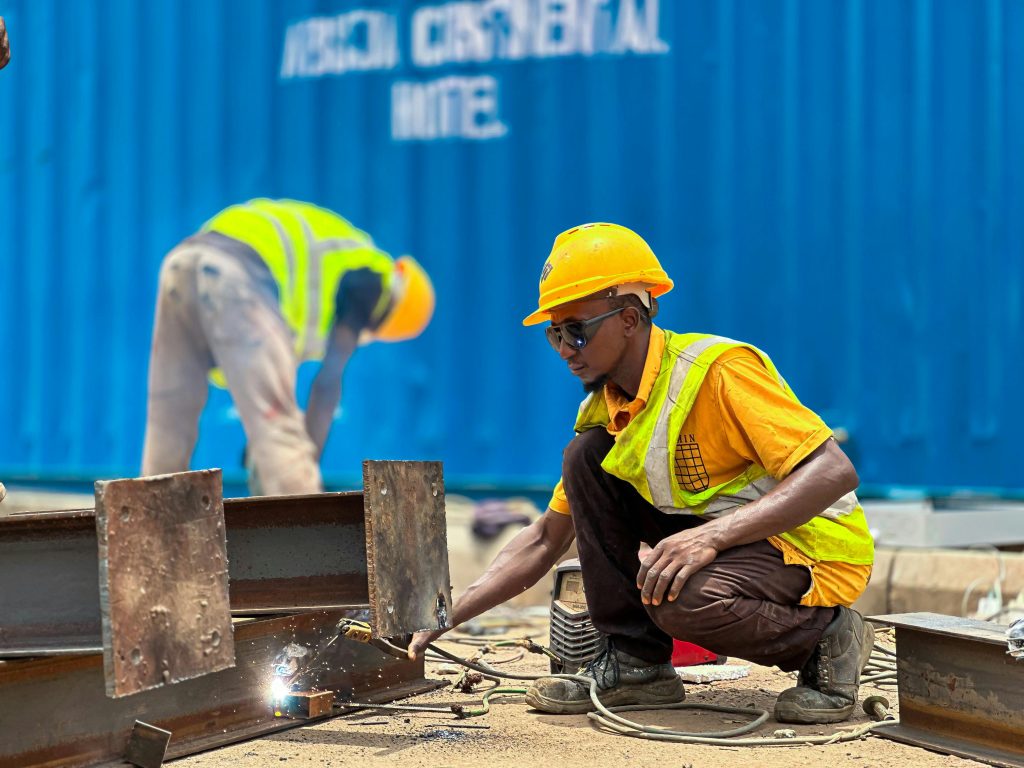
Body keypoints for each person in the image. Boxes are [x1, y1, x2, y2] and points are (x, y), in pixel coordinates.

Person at [409, 223, 875, 725]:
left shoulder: (717, 372)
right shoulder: (606, 411)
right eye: (554, 334)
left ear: (629, 318)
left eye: (576, 330)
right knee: (586, 458)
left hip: (808, 543)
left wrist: (708, 539)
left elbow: (834, 470)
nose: (565, 348)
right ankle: (636, 665)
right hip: (732, 538)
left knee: (681, 600)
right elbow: (546, 538)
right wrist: (445, 615)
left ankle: (827, 640)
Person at [141, 199, 434, 495]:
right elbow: (327, 385)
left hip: (182, 261)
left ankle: (154, 516)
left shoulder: (335, 264)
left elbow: (258, 379)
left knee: (168, 419)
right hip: (239, 269)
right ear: (388, 315)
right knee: (279, 426)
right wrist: (305, 461)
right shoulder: (374, 281)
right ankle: (303, 517)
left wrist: (261, 449)